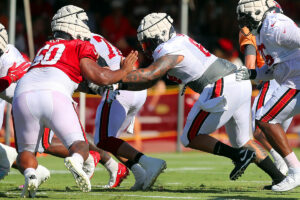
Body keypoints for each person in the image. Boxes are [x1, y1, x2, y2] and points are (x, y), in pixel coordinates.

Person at [115, 12, 286, 187]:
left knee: (189, 137)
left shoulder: (166, 48)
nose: (146, 47)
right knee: (243, 141)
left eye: (147, 42)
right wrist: (121, 86)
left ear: (158, 36)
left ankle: (238, 155)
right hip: (238, 81)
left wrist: (118, 77)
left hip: (221, 84)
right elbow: (149, 80)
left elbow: (151, 74)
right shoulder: (180, 39)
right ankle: (280, 178)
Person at [11, 5, 137, 198]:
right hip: (54, 92)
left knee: (27, 151)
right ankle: (77, 161)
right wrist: (124, 71)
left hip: (22, 93)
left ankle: (30, 175)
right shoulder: (79, 45)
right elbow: (99, 76)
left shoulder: (45, 48)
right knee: (80, 145)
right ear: (76, 25)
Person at [236, 0, 300, 191]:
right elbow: (275, 67)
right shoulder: (265, 30)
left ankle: (295, 170)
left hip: (296, 81)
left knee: (265, 118)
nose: (244, 24)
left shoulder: (275, 25)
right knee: (264, 119)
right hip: (291, 81)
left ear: (257, 12)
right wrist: (253, 73)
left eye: (246, 18)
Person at [90, 33, 153, 190]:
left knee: (102, 139)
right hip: (136, 87)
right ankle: (139, 173)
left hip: (119, 87)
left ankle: (148, 163)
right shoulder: (95, 37)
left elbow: (101, 71)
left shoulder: (79, 42)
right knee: (112, 141)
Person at [239, 24, 289, 176]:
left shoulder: (248, 31)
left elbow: (249, 65)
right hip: (291, 77)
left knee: (260, 128)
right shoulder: (277, 25)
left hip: (272, 79)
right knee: (277, 131)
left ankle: (282, 161)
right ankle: (290, 170)